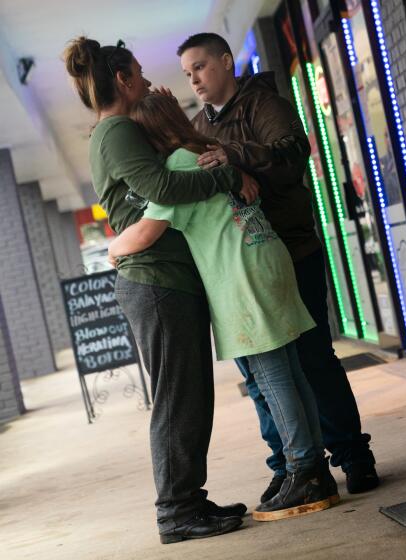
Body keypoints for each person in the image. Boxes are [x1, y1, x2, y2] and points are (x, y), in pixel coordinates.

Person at [108, 92, 339, 523]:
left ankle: (303, 469)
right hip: (268, 258)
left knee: (271, 377)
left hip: (240, 277)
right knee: (290, 368)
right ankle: (313, 468)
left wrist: (114, 248)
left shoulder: (177, 166)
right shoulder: (207, 150)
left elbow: (145, 233)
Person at [63, 37, 258, 544]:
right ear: (123, 80)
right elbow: (165, 190)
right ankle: (176, 511)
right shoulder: (116, 131)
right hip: (154, 282)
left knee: (190, 397)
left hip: (165, 279)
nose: (148, 81)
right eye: (141, 73)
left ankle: (189, 499)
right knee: (178, 399)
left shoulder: (123, 130)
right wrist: (226, 179)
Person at [177, 32, 379, 501]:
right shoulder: (195, 127)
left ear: (226, 62)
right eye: (188, 74)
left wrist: (236, 156)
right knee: (262, 372)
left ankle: (353, 456)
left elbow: (294, 154)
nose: (195, 80)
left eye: (201, 67)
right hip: (242, 265)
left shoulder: (264, 103)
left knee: (314, 359)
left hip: (293, 251)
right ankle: (288, 465)